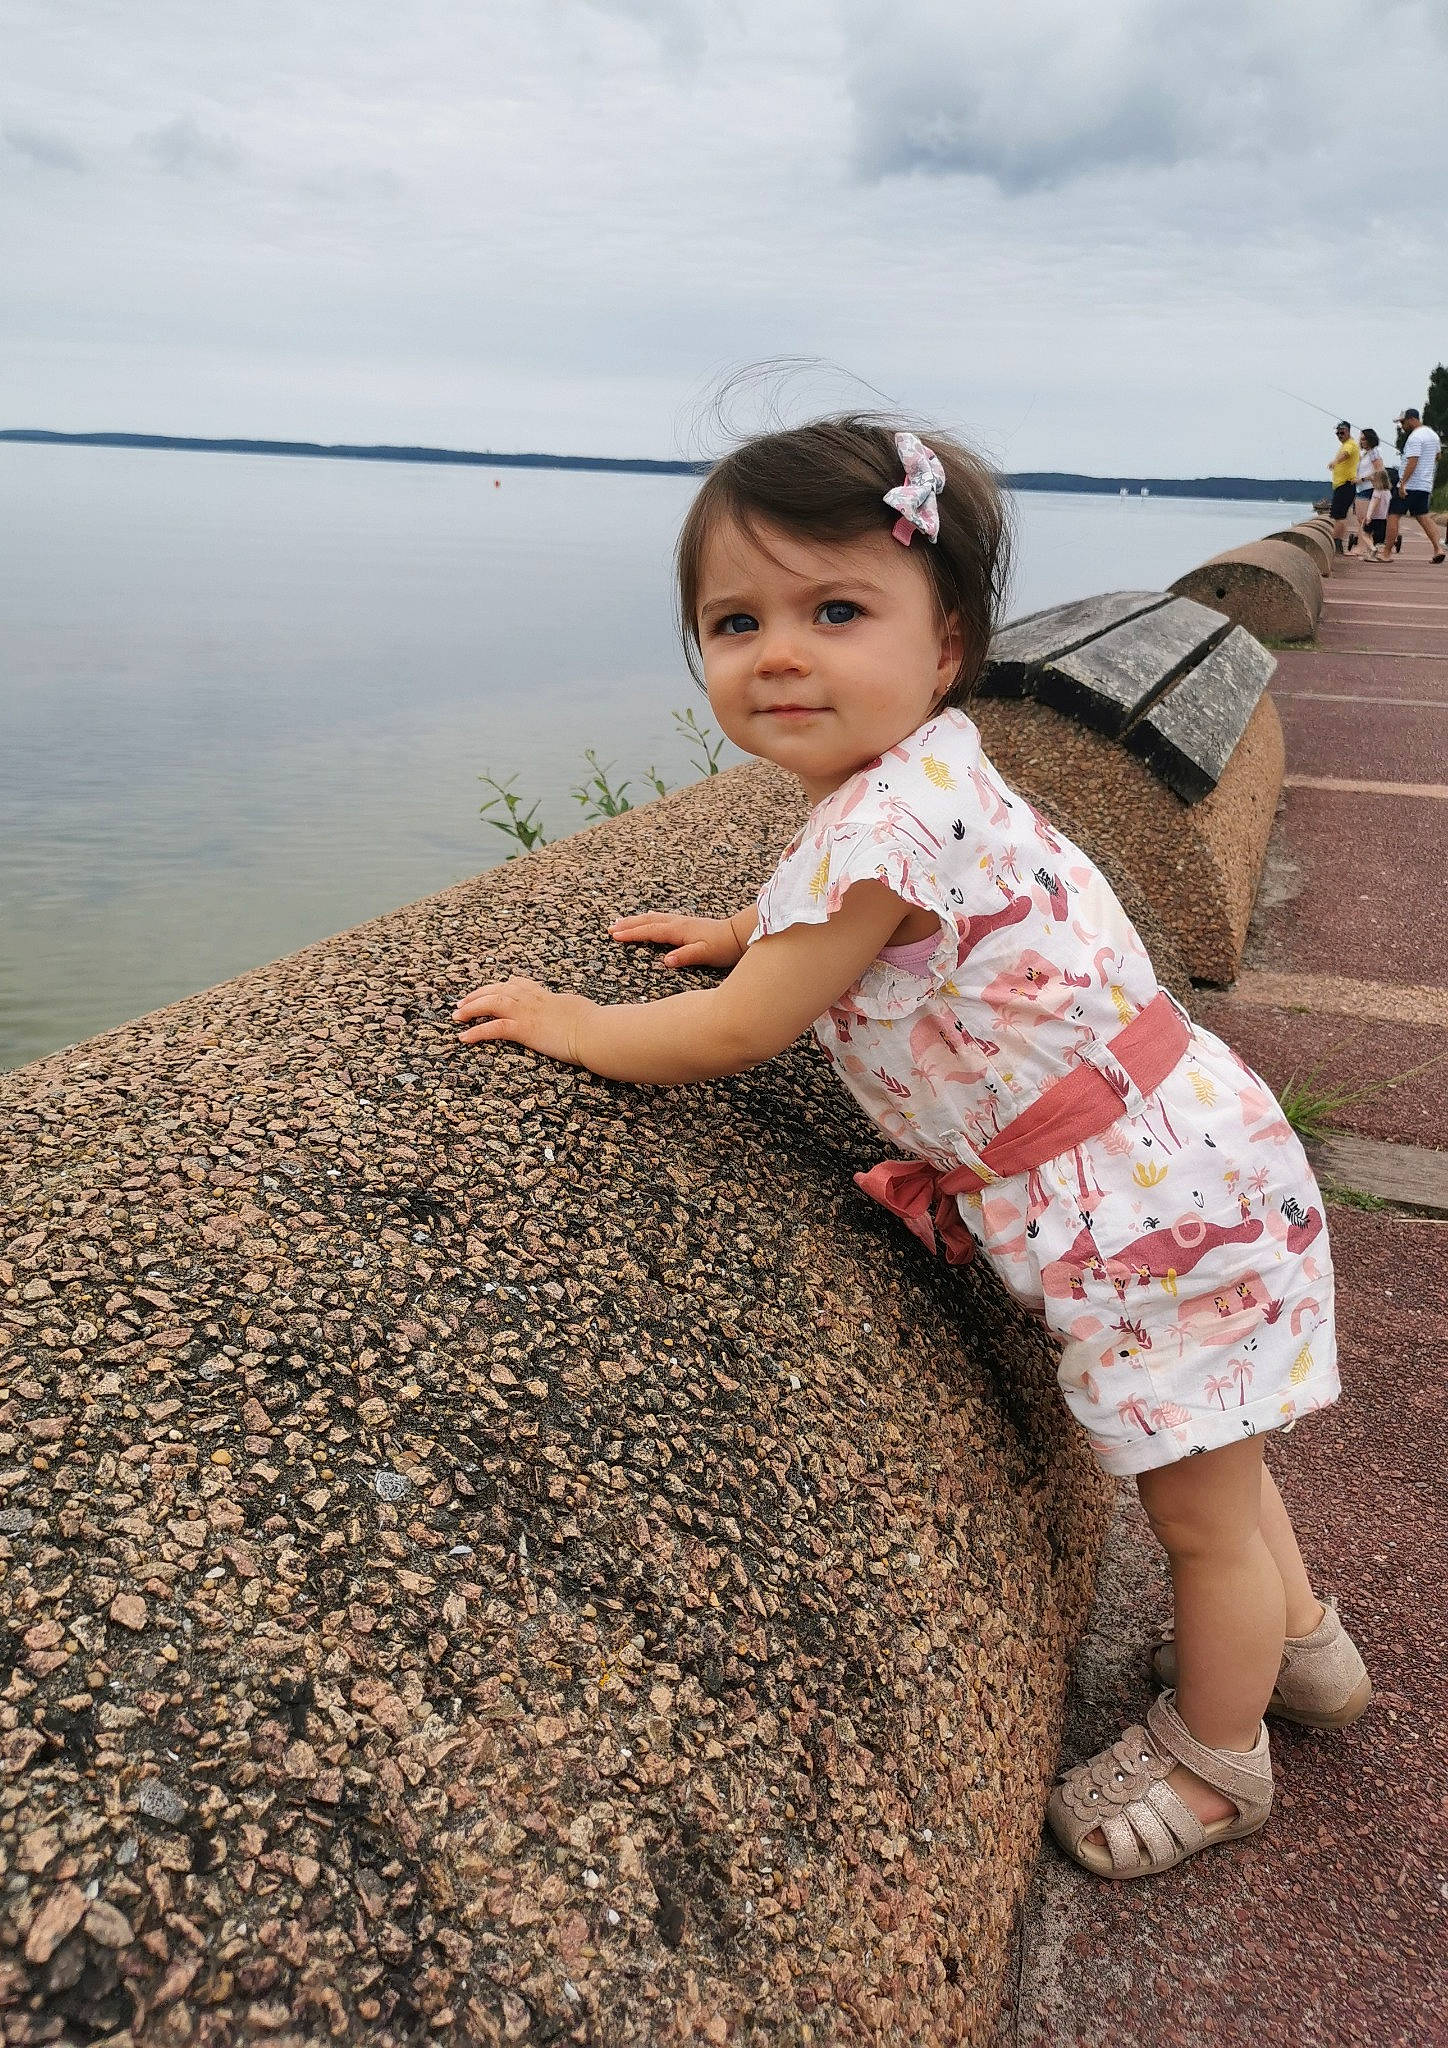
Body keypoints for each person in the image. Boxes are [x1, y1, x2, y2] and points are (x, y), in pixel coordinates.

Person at [454, 415, 1370, 1882]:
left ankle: (1220, 1761)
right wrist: (754, 924)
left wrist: (571, 1020)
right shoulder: (935, 772)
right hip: (1181, 1141)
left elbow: (733, 1035)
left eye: (835, 612)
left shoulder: (879, 823)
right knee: (1221, 1448)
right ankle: (1304, 1654)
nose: (779, 655)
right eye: (733, 622)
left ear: (944, 647)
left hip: (1142, 1202)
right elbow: (868, 909)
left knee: (1194, 1513)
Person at [1392, 406, 1445, 564]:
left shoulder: (1415, 437)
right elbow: (1438, 456)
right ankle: (1438, 549)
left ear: (1411, 419)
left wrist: (1403, 483)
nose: (1402, 426)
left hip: (1411, 484)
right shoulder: (1433, 435)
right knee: (1423, 516)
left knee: (1392, 514)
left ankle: (1386, 552)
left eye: (1403, 422)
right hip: (1425, 484)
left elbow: (1412, 461)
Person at [1356, 428, 1390, 560]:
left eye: (1364, 439)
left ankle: (1367, 548)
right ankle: (1369, 549)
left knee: (1365, 521)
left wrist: (1362, 479)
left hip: (1369, 488)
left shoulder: (1374, 452)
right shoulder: (1366, 453)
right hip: (1362, 489)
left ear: (1371, 439)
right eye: (1361, 438)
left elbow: (1379, 471)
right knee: (1362, 520)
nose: (1362, 441)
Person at [1327, 419, 1360, 553]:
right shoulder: (1347, 444)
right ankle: (1337, 544)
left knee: (1339, 516)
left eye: (1342, 432)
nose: (1340, 435)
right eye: (1338, 433)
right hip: (1341, 486)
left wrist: (1335, 461)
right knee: (1338, 516)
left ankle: (1336, 544)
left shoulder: (1350, 444)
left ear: (1348, 431)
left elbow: (1345, 454)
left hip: (1345, 485)